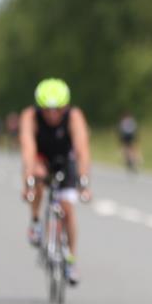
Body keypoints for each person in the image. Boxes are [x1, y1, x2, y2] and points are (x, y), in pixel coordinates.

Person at [19, 78, 92, 286]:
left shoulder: (74, 116)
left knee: (68, 208)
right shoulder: (30, 116)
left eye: (57, 110)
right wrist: (28, 183)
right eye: (46, 110)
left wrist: (84, 183)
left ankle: (70, 260)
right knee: (37, 179)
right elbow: (28, 150)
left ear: (65, 107)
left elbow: (82, 150)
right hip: (41, 157)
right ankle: (35, 222)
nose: (51, 115)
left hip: (64, 158)